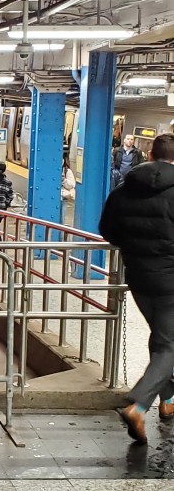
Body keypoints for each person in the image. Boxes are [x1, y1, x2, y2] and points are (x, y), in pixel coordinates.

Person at [99, 133, 174, 445]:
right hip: (171, 280)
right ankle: (139, 405)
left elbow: (107, 230)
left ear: (150, 153)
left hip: (139, 277)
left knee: (162, 338)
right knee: (168, 345)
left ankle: (168, 401)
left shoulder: (122, 190)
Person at [60, 156, 76, 225]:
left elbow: (72, 185)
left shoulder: (67, 171)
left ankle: (61, 234)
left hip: (63, 197)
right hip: (57, 196)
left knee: (62, 218)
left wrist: (64, 180)